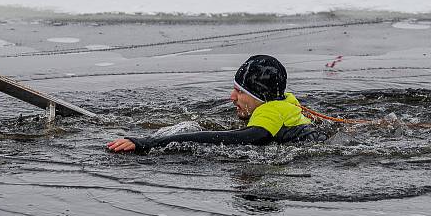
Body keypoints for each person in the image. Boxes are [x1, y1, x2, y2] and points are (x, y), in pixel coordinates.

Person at [107, 54, 320, 154]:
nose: (231, 97)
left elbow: (232, 139)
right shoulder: (286, 103)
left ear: (259, 96)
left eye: (240, 91)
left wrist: (148, 143)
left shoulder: (269, 113)